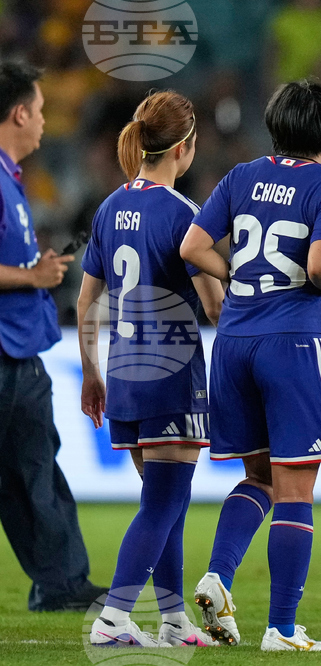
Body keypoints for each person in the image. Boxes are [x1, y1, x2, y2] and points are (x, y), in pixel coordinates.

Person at [180, 79, 321, 651]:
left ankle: (218, 576)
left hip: (233, 342)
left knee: (259, 478)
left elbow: (192, 248)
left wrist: (238, 277)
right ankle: (281, 628)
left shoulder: (242, 175)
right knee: (297, 489)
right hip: (292, 342)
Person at [81, 91, 224, 648]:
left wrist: (91, 372)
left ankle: (171, 620)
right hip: (172, 376)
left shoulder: (109, 206)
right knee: (165, 500)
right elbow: (213, 306)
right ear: (184, 149)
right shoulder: (184, 216)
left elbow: (86, 303)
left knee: (167, 500)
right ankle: (114, 617)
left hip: (122, 374)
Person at [0, 60, 107, 613]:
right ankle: (61, 582)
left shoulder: (9, 181)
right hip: (6, 355)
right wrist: (33, 277)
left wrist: (33, 266)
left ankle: (61, 584)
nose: (43, 122)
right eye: (39, 111)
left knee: (34, 471)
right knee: (34, 472)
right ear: (19, 113)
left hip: (19, 353)